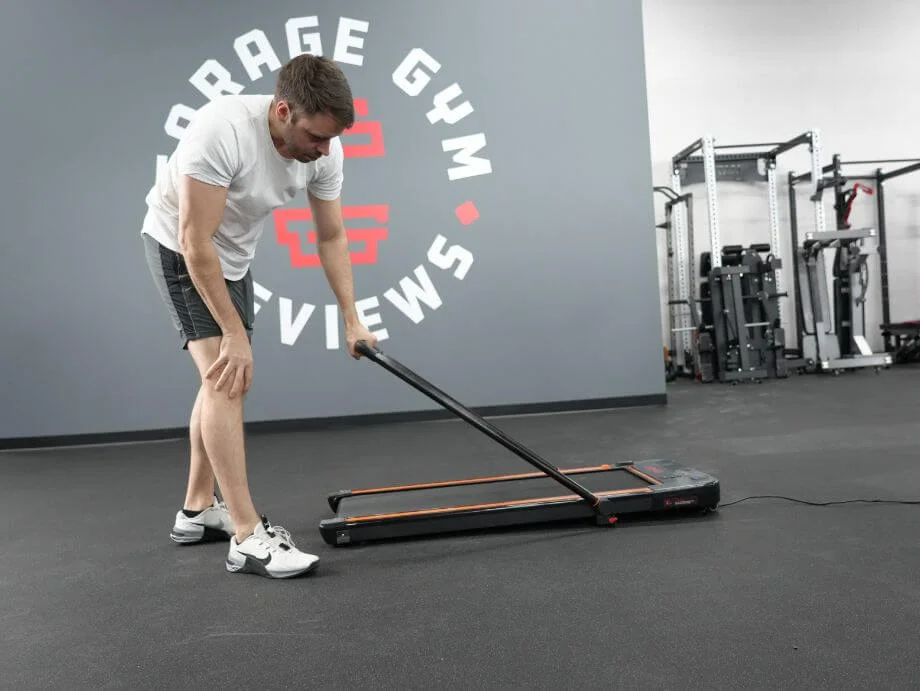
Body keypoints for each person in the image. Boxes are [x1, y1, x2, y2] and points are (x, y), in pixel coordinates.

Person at [140, 54, 377, 579]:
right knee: (227, 378)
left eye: (332, 139)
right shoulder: (220, 130)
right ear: (284, 110)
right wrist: (232, 335)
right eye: (317, 137)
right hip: (182, 248)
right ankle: (247, 536)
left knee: (222, 379)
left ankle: (198, 509)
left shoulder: (323, 153)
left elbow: (332, 235)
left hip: (233, 256)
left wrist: (351, 317)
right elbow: (193, 240)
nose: (325, 150)